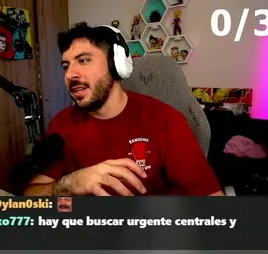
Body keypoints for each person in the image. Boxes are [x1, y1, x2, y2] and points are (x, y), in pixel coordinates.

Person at [24, 24, 223, 196]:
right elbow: (31, 196)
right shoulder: (62, 124)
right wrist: (71, 183)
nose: (70, 75)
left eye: (83, 60)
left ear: (116, 65)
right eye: (66, 66)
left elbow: (212, 200)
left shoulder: (165, 120)